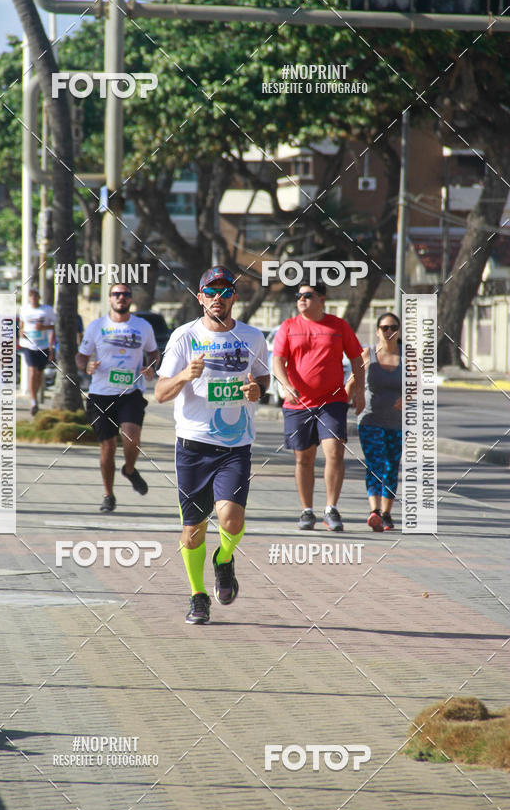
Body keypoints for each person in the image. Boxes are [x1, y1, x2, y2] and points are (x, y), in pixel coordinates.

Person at [155, 266, 269, 625]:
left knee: (231, 520)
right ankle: (197, 595)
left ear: (234, 297)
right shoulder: (184, 337)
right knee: (192, 533)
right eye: (211, 292)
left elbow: (262, 379)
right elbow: (159, 393)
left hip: (236, 445)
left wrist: (258, 391)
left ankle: (224, 560)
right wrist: (184, 376)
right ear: (200, 297)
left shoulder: (252, 337)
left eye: (226, 291)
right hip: (193, 446)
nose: (218, 298)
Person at [272, 281, 364, 532]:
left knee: (334, 453)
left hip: (332, 402)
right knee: (304, 458)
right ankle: (307, 511)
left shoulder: (338, 326)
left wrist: (359, 391)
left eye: (307, 295)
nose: (301, 299)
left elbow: (357, 358)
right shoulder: (288, 327)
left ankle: (331, 509)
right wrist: (286, 385)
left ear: (322, 299)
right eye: (298, 295)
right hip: (297, 404)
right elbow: (278, 360)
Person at [76, 283, 159, 513]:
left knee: (131, 437)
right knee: (108, 447)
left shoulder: (143, 326)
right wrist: (88, 366)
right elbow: (80, 357)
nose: (121, 297)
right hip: (100, 395)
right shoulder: (96, 326)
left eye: (125, 294)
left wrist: (150, 366)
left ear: (131, 299)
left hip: (130, 393)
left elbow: (153, 353)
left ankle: (130, 470)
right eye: (116, 294)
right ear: (110, 299)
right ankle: (108, 495)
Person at [346, 312, 403, 531]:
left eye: (393, 327)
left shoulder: (407, 356)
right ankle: (375, 511)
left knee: (391, 466)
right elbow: (352, 382)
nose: (389, 331)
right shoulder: (367, 354)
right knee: (375, 464)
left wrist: (406, 399)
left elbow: (418, 386)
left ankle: (387, 514)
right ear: (378, 330)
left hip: (397, 423)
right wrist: (341, 405)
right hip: (369, 419)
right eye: (385, 327)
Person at [19, 287, 55, 416]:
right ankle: (33, 401)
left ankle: (36, 396)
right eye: (31, 297)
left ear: (39, 298)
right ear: (29, 299)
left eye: (35, 296)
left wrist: (44, 327)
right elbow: (21, 326)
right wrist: (21, 332)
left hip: (43, 345)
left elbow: (55, 326)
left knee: (39, 373)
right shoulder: (24, 309)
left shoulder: (47, 310)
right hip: (28, 344)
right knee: (32, 371)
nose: (33, 299)